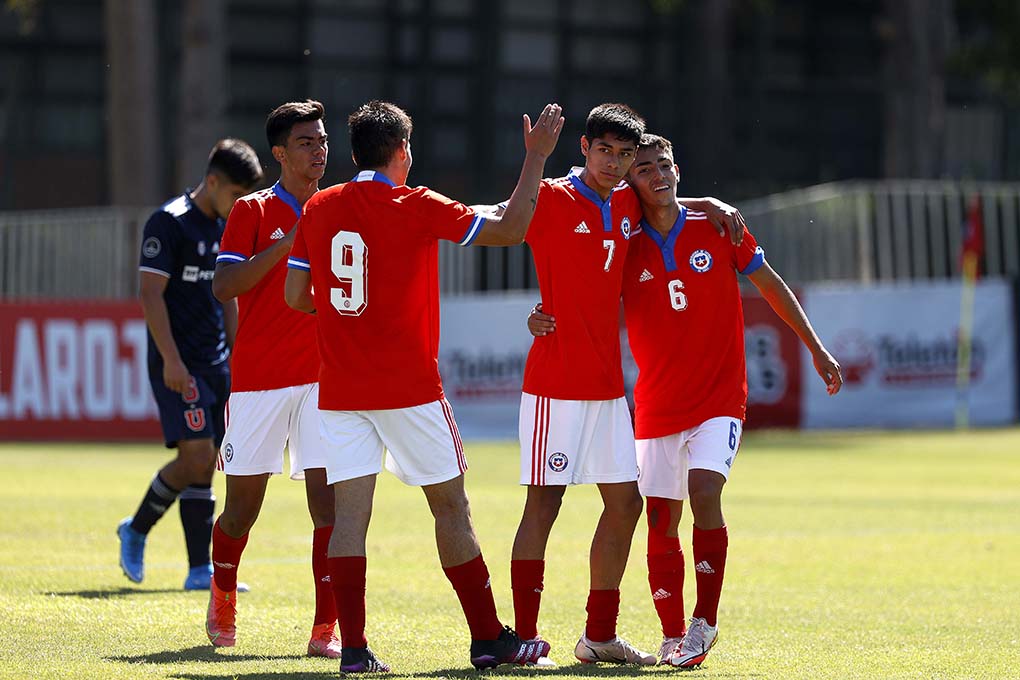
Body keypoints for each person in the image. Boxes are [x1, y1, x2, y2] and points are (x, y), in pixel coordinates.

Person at [529, 133, 843, 668]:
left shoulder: (718, 227)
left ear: (679, 168)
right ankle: (673, 635)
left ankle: (705, 622)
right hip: (655, 406)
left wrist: (814, 346)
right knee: (659, 521)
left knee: (704, 491)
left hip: (720, 398)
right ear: (630, 180)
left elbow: (771, 284)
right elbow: (586, 281)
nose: (658, 174)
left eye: (665, 164)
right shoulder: (625, 239)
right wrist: (541, 312)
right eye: (644, 167)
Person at [283, 100, 563, 673]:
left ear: (356, 150)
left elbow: (294, 296)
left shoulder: (319, 205)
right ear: (403, 152)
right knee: (451, 508)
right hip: (409, 389)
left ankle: (355, 651)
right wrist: (535, 157)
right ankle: (489, 638)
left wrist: (346, 318)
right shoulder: (415, 203)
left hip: (339, 391)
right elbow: (512, 228)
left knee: (348, 519)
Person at [506, 103, 745, 666]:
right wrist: (533, 159)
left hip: (610, 391)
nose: (615, 164)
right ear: (583, 148)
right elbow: (504, 225)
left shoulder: (626, 202)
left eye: (624, 156)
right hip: (555, 382)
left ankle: (599, 635)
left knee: (626, 505)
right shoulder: (553, 196)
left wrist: (707, 204)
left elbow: (665, 200)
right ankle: (522, 637)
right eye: (604, 151)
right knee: (544, 506)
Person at [204, 100, 340, 657]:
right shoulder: (253, 211)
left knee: (329, 510)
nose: (319, 151)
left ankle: (325, 629)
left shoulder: (341, 207)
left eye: (324, 140)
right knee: (241, 509)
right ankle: (222, 595)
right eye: (307, 142)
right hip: (259, 382)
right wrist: (290, 244)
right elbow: (224, 285)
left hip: (325, 383)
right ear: (280, 153)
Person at [118, 139, 264, 590]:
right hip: (179, 364)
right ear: (214, 181)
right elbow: (149, 294)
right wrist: (172, 360)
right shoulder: (170, 222)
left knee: (207, 463)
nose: (240, 204)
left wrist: (237, 358)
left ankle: (199, 569)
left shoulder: (225, 228)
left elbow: (228, 297)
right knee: (196, 456)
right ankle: (138, 529)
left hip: (215, 361)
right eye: (237, 194)